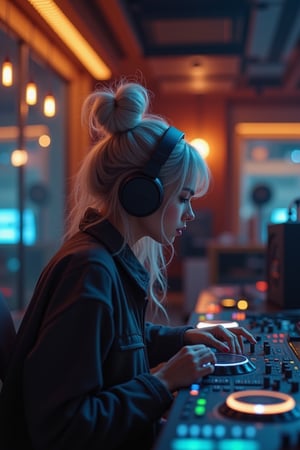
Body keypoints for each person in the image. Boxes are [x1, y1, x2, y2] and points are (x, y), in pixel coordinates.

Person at [0, 79, 256, 450]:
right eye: (183, 198)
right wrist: (163, 381)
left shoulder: (104, 258)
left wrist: (181, 337)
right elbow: (63, 427)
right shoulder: (89, 270)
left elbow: (113, 342)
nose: (190, 214)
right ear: (141, 194)